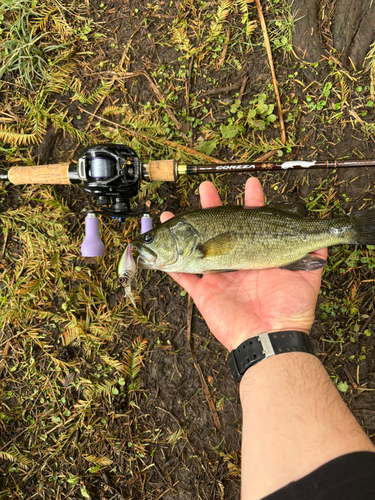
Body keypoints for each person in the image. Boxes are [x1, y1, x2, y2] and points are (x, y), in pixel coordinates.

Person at [160, 177, 375, 500]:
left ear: (178, 237)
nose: (145, 248)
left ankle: (352, 228)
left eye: (153, 240)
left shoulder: (199, 247)